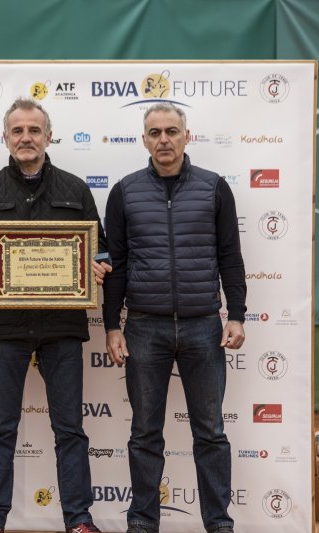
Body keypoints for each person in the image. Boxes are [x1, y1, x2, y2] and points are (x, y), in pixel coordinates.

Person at [0, 98, 111, 533]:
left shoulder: (76, 189)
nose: (26, 138)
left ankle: (79, 520)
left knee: (70, 429)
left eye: (34, 130)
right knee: (1, 427)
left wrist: (100, 262)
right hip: (5, 329)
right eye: (17, 130)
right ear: (6, 138)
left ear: (48, 137)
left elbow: (102, 246)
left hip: (62, 327)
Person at [102, 102, 246, 533]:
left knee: (211, 434)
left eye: (171, 131)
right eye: (154, 132)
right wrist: (112, 325)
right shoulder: (124, 192)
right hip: (145, 327)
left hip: (205, 327)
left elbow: (230, 257)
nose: (163, 139)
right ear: (144, 139)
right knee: (145, 434)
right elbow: (117, 265)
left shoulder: (215, 187)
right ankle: (142, 524)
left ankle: (219, 524)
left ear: (187, 136)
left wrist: (235, 314)